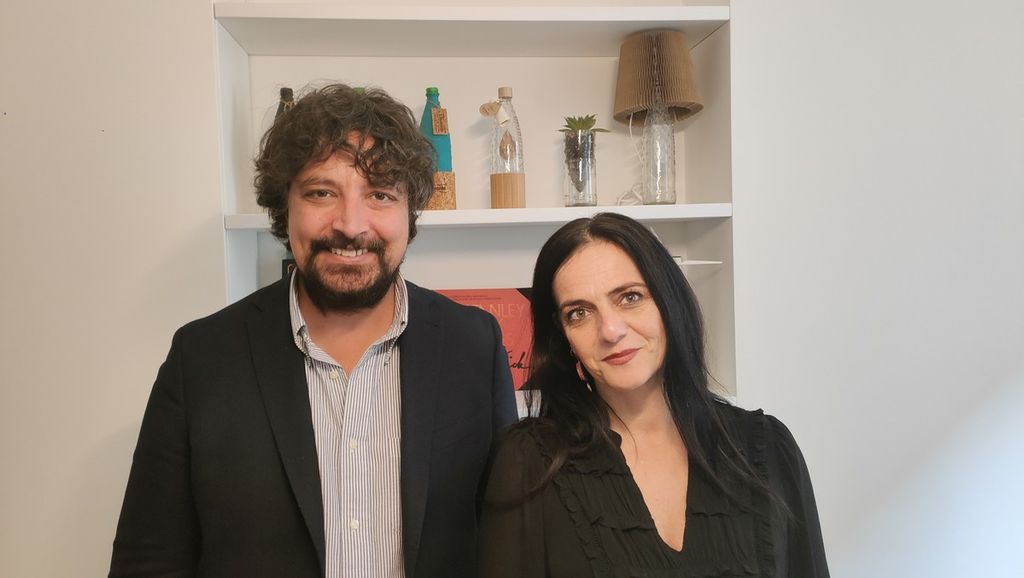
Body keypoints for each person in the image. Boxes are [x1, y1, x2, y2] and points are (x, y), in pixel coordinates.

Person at [110, 84, 518, 578]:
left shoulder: (473, 346)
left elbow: (510, 541)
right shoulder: (200, 358)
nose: (351, 225)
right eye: (322, 192)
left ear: (409, 215)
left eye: (380, 194)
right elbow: (149, 560)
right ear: (284, 207)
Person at [480, 213, 829, 577]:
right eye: (579, 313)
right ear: (564, 337)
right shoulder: (529, 462)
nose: (611, 330)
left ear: (668, 301)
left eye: (630, 297)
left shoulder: (769, 449)